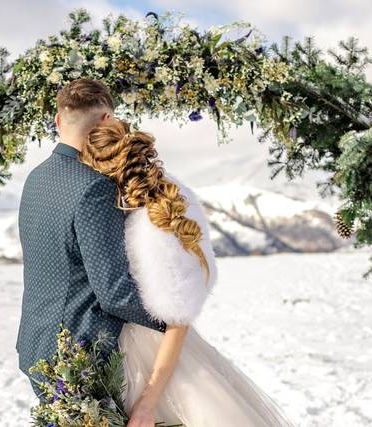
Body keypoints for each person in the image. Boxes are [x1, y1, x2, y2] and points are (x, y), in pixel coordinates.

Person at [79, 118, 297, 427]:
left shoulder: (155, 224)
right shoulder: (144, 205)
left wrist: (148, 401)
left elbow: (178, 318)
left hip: (155, 359)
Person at [15, 78, 167, 400]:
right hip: (78, 358)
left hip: (35, 346)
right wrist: (168, 320)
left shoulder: (34, 179)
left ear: (58, 121)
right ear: (107, 121)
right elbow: (114, 294)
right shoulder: (96, 188)